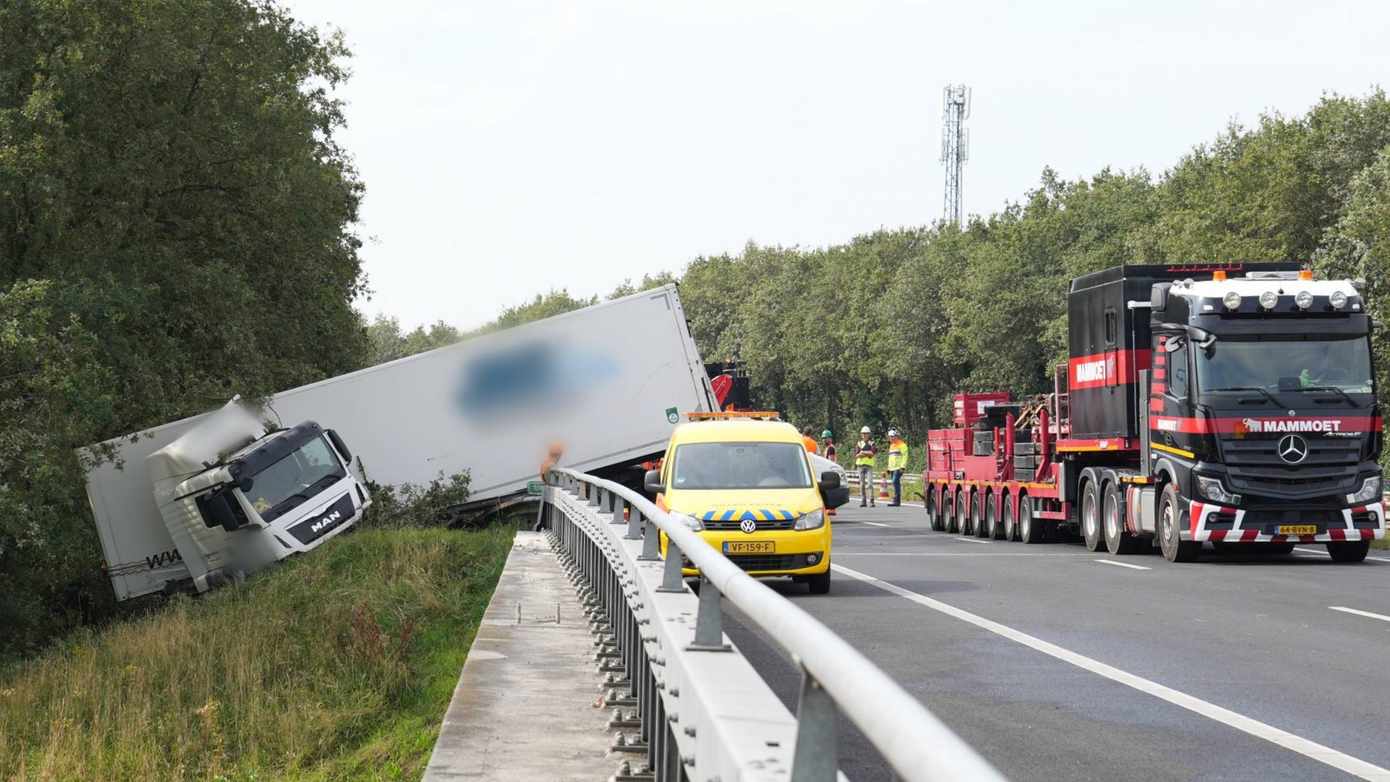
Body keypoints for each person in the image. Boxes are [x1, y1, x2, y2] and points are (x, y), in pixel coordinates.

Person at [854, 426, 877, 507]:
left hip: (869, 466)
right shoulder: (859, 443)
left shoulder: (872, 443)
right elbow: (856, 455)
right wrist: (867, 453)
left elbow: (873, 453)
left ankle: (871, 500)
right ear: (861, 434)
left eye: (866, 434)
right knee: (862, 484)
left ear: (869, 434)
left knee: (870, 483)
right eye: (863, 434)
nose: (864, 435)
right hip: (860, 465)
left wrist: (863, 452)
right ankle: (863, 501)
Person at [886, 429, 908, 507]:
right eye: (890, 437)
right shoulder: (891, 445)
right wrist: (888, 468)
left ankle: (896, 500)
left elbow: (905, 456)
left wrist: (902, 467)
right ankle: (896, 500)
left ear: (896, 436)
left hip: (898, 468)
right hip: (892, 468)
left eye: (892, 436)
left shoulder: (902, 445)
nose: (891, 438)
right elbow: (890, 457)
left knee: (895, 482)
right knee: (895, 483)